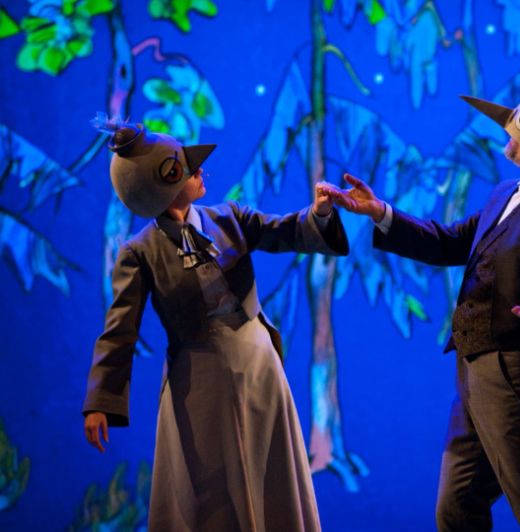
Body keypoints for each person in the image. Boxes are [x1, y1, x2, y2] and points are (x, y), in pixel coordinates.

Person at [332, 73, 520, 531]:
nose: (508, 133)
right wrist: (380, 213)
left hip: (514, 375)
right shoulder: (505, 193)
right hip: (473, 369)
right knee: (456, 508)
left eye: (518, 127)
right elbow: (449, 241)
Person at [82, 118, 349, 532]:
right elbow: (120, 329)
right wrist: (101, 400)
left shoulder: (229, 218)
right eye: (188, 168)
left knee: (272, 476)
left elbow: (285, 232)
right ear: (166, 182)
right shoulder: (141, 252)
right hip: (201, 383)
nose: (200, 170)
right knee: (212, 493)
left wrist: (319, 214)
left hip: (257, 368)